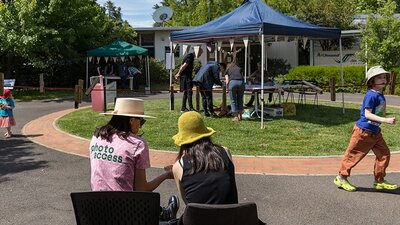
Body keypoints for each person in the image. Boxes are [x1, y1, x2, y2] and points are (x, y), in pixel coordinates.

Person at [89, 98, 179, 220]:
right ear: (131, 120)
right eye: (141, 121)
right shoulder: (137, 144)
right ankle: (164, 214)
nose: (140, 126)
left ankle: (161, 212)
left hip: (97, 209)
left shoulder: (97, 137)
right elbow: (142, 190)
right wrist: (166, 175)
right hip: (126, 212)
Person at [333, 66, 397, 192]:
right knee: (353, 156)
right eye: (379, 77)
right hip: (363, 132)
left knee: (384, 154)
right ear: (371, 81)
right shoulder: (371, 95)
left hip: (375, 132)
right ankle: (341, 178)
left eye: (384, 77)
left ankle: (379, 181)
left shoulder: (379, 94)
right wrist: (386, 120)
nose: (383, 80)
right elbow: (367, 114)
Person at [172, 111, 238, 205]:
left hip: (198, 219)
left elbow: (187, 202)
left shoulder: (179, 167)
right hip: (232, 217)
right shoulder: (225, 152)